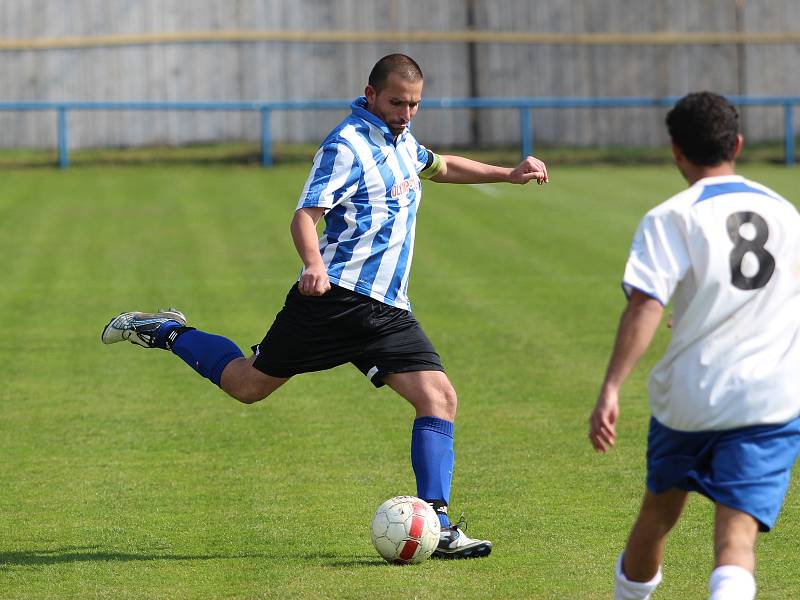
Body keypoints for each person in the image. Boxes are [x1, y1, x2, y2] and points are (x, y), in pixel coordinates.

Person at [102, 53, 549, 559]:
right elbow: (304, 215)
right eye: (397, 102)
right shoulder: (346, 145)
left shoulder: (401, 140)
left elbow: (441, 167)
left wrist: (508, 174)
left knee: (439, 398)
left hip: (387, 308)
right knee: (246, 386)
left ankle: (439, 524)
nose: (405, 113)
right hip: (332, 300)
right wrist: (312, 264)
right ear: (371, 93)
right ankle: (165, 331)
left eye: (414, 104)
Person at [589, 91, 800, 599]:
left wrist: (612, 387)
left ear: (676, 150)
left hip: (691, 396)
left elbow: (646, 306)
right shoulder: (785, 212)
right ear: (739, 144)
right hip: (768, 401)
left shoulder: (671, 217)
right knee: (736, 539)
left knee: (658, 512)